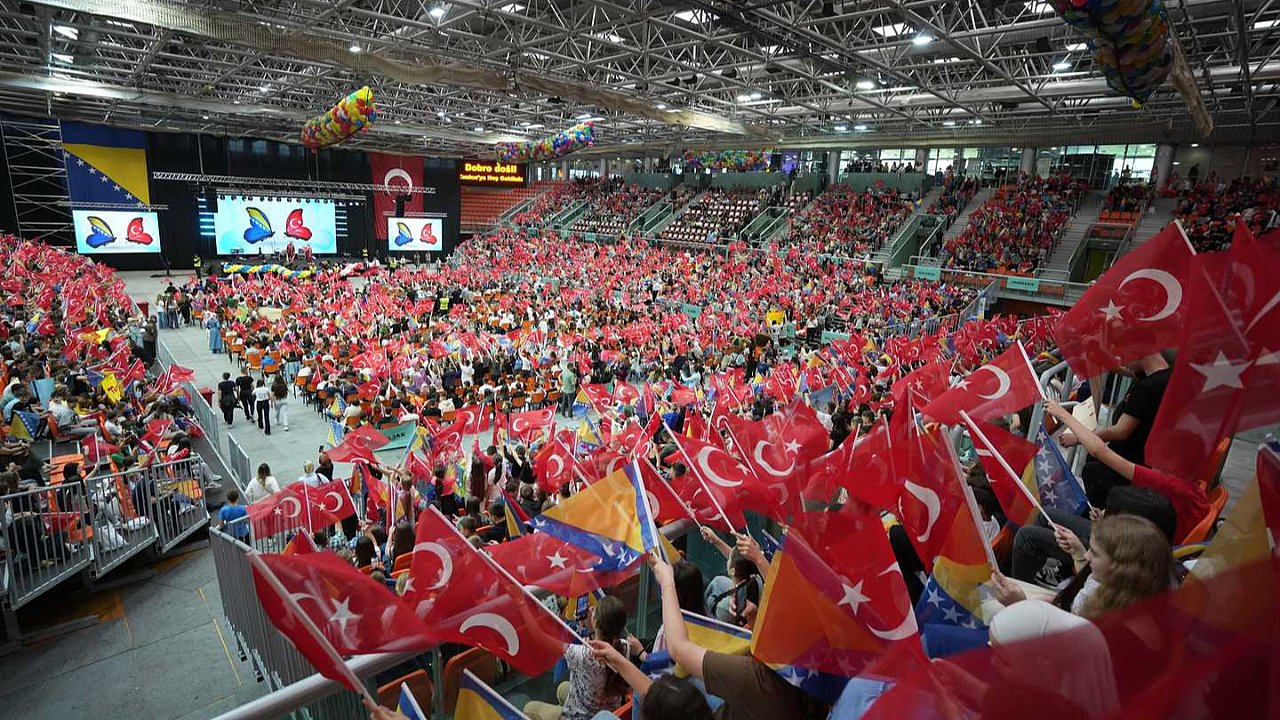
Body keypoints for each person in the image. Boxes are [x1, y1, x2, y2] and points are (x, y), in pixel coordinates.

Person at [648, 553, 821, 720]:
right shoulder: (804, 681)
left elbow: (679, 649)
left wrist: (667, 584)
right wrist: (754, 618)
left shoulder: (754, 679)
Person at [1058, 354, 1171, 507]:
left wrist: (1078, 437)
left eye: (1124, 353)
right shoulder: (1166, 376)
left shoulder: (1147, 388)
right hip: (1143, 459)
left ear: (1139, 350)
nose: (1122, 361)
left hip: (1127, 462)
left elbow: (1120, 431)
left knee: (1091, 471)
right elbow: (1130, 371)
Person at [524, 595, 634, 720]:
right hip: (610, 711)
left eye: (595, 610)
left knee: (530, 708)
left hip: (580, 716)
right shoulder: (625, 646)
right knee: (562, 688)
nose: (590, 608)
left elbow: (538, 636)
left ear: (596, 622)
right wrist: (592, 628)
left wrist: (521, 602)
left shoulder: (581, 654)